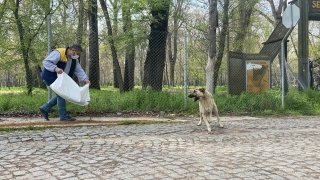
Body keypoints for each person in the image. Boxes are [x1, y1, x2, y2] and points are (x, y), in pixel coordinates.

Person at [39, 44, 90, 121]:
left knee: (62, 94)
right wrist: (55, 69)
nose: (78, 56)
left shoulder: (74, 59)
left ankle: (45, 108)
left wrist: (85, 79)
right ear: (73, 51)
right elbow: (46, 62)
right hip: (50, 76)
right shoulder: (59, 53)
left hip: (60, 79)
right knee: (61, 94)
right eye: (78, 54)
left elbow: (78, 70)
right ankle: (63, 116)